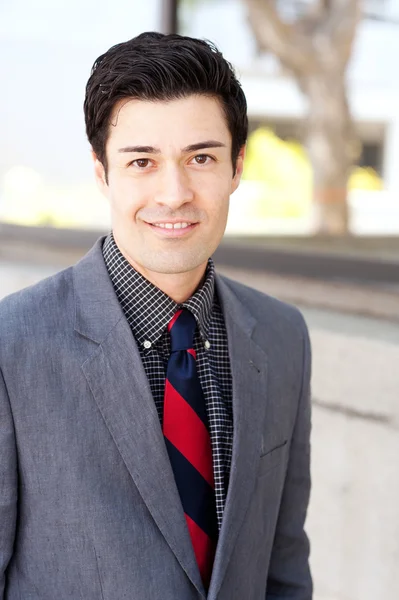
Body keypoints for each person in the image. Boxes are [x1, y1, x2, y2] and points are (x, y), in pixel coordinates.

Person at [0, 32, 312, 599]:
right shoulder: (10, 345)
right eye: (142, 161)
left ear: (237, 166)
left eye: (201, 157)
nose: (174, 193)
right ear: (102, 173)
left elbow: (284, 564)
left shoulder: (283, 336)